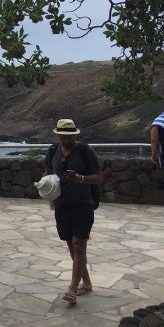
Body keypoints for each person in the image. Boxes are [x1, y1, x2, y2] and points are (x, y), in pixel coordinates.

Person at [44, 118, 103, 306]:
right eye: (64, 136)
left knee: (79, 245)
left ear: (76, 135)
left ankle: (72, 288)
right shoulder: (52, 151)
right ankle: (86, 283)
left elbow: (99, 177)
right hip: (61, 206)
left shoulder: (86, 151)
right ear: (58, 135)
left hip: (83, 204)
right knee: (72, 247)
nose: (68, 140)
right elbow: (47, 174)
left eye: (71, 136)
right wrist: (45, 187)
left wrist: (81, 178)